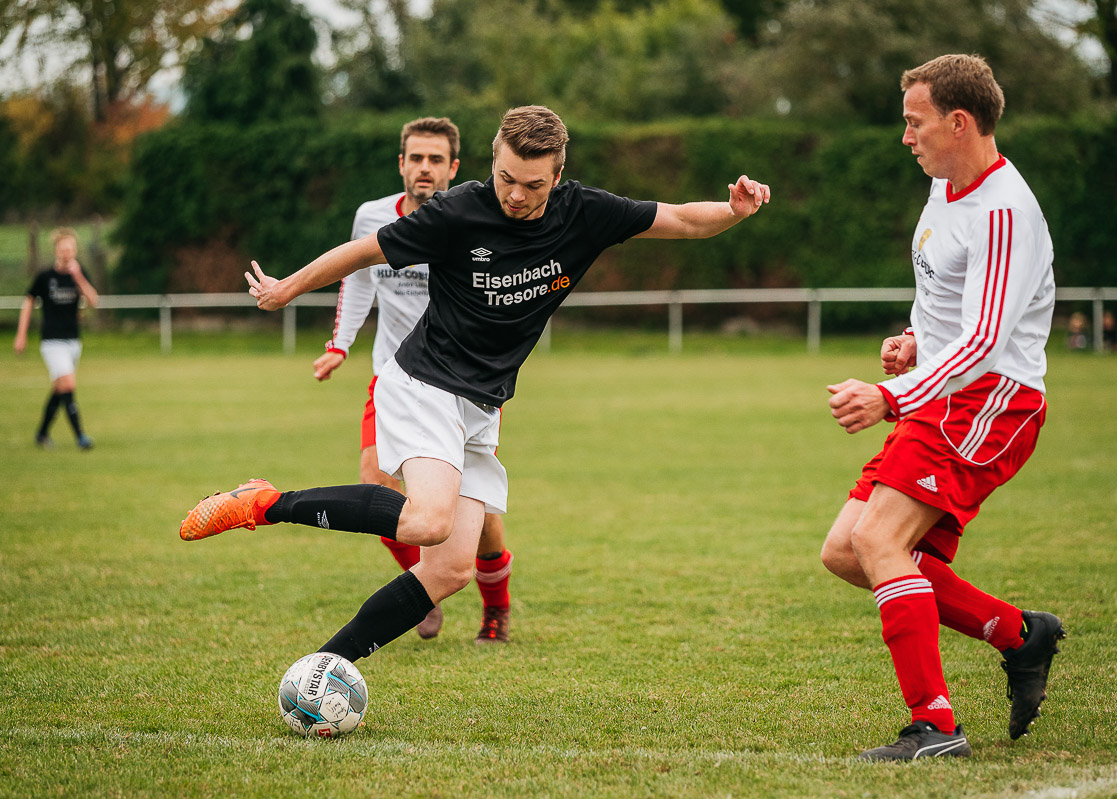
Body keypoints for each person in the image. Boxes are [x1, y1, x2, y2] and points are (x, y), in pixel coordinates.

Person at [180, 105, 769, 666]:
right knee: (428, 521)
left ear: (558, 176)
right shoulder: (457, 211)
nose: (515, 195)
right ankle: (264, 503)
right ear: (492, 161)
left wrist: (735, 212)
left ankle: (325, 666)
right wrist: (287, 289)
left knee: (449, 570)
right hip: (422, 381)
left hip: (481, 405)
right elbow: (363, 252)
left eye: (533, 185)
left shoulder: (586, 212)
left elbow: (685, 220)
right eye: (507, 178)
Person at [819, 55, 1066, 761]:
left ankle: (935, 724)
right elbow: (946, 307)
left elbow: (988, 341)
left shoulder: (1004, 210)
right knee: (846, 550)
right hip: (946, 393)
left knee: (880, 541)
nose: (906, 137)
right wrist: (912, 341)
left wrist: (889, 393)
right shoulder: (945, 187)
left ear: (959, 123)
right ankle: (1019, 633)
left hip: (994, 401)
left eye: (914, 122)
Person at [312, 116, 515, 643]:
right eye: (415, 158)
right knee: (373, 483)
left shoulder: (477, 220)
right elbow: (358, 278)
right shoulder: (372, 217)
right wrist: (340, 344)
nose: (424, 169)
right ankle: (422, 585)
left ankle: (496, 608)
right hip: (394, 377)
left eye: (435, 160)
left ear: (454, 168)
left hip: (465, 385)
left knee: (482, 522)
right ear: (402, 163)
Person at [14, 227, 99, 450]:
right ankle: (81, 437)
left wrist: (78, 276)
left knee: (60, 389)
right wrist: (21, 335)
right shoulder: (45, 277)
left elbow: (93, 301)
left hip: (73, 341)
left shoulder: (79, 275)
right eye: (62, 249)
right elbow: (28, 301)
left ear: (75, 251)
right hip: (52, 341)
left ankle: (42, 434)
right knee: (69, 384)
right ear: (56, 250)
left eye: (70, 249)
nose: (66, 252)